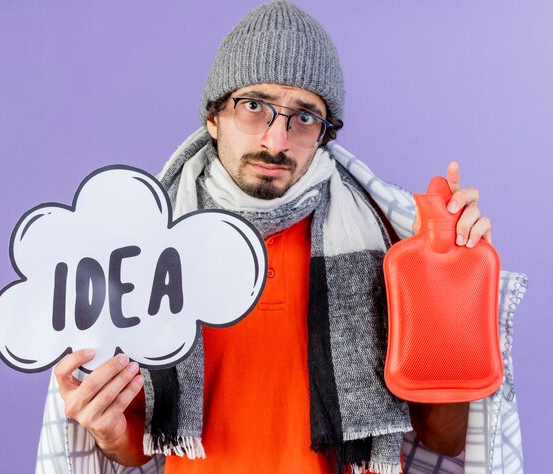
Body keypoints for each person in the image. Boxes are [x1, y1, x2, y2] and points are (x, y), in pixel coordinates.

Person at [36, 1, 525, 473]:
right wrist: (105, 431)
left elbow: (444, 438)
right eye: (254, 106)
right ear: (212, 116)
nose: (276, 140)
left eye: (304, 116)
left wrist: (455, 284)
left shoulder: (398, 235)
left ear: (325, 131)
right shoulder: (145, 245)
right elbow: (141, 443)